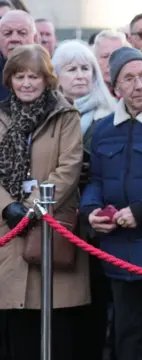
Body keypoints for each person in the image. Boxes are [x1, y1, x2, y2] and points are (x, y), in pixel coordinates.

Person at [80, 47, 142, 360]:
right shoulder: (103, 130)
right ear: (115, 88)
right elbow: (95, 180)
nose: (139, 85)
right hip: (119, 252)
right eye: (129, 79)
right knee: (128, 336)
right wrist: (91, 211)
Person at [0, 44, 87, 360]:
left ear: (46, 79)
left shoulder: (65, 114)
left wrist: (32, 207)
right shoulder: (1, 115)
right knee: (15, 326)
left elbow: (69, 166)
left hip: (49, 228)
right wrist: (7, 206)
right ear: (10, 80)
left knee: (55, 327)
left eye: (33, 76)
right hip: (7, 230)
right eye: (19, 76)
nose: (26, 83)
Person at [51, 38, 117, 360]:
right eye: (71, 68)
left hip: (95, 223)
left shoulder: (111, 116)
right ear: (56, 75)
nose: (80, 75)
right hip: (56, 221)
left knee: (96, 301)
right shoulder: (47, 117)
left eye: (86, 68)